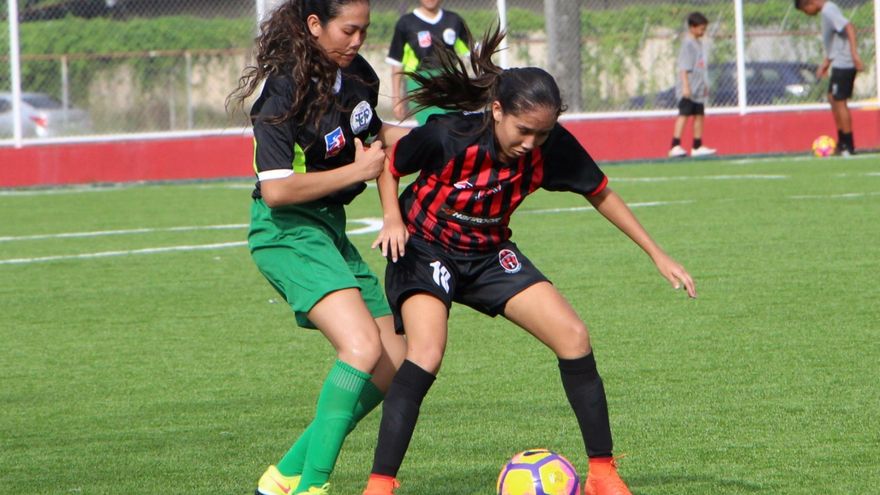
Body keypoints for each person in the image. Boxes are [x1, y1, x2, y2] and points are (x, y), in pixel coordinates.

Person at [363, 27, 697, 495]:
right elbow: (391, 162)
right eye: (524, 131)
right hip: (424, 247)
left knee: (573, 336)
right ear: (497, 110)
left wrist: (657, 253)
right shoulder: (450, 134)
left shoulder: (551, 146)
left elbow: (600, 192)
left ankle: (602, 474)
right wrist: (391, 218)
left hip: (487, 253)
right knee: (426, 353)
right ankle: (380, 485)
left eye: (542, 133)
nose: (531, 143)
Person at [227, 1, 411, 494]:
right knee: (362, 347)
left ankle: (284, 475)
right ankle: (314, 486)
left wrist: (442, 141)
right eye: (348, 30)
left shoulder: (359, 76)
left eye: (364, 31)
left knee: (394, 359)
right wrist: (357, 171)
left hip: (328, 229)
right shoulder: (282, 92)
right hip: (285, 232)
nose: (358, 40)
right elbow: (276, 190)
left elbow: (377, 141)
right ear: (314, 25)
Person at [795, 0, 864, 155]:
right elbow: (836, 41)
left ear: (808, 4)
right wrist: (827, 62)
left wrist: (854, 55)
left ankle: (848, 145)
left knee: (839, 101)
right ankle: (842, 142)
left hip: (845, 63)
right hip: (838, 62)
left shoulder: (829, 10)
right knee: (832, 97)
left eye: (805, 11)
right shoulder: (827, 11)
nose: (808, 14)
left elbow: (849, 27)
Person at [386, 0, 470, 124]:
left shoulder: (454, 20)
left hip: (450, 80)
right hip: (420, 83)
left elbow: (471, 52)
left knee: (454, 125)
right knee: (430, 126)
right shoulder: (406, 23)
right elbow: (396, 63)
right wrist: (396, 98)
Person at [668, 12, 717, 158]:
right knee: (684, 115)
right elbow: (684, 68)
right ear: (692, 28)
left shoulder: (698, 44)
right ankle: (675, 146)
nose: (703, 32)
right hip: (688, 88)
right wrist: (686, 86)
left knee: (699, 115)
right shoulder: (687, 45)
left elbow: (700, 66)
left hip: (698, 88)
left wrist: (704, 84)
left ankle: (697, 146)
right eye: (701, 29)